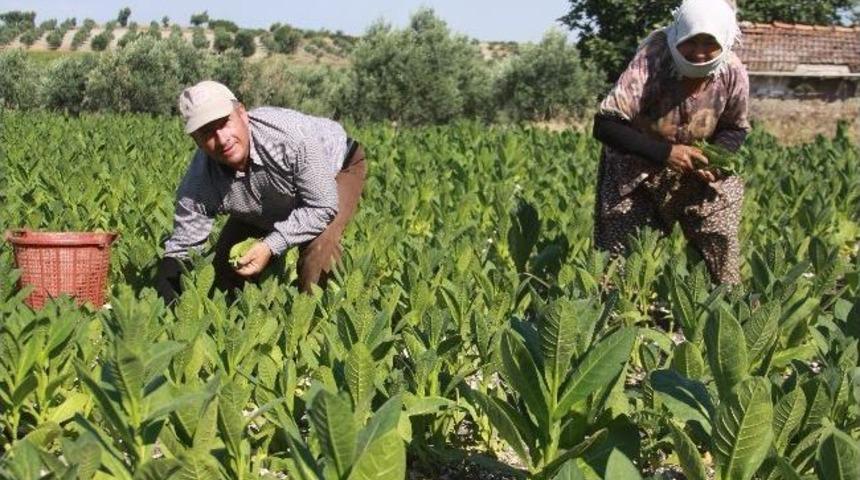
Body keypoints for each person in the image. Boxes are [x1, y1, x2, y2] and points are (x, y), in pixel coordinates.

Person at [155, 80, 366, 303]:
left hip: (335, 168)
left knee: (319, 249)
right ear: (195, 140)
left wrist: (270, 245)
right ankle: (236, 327)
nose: (221, 139)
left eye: (224, 123)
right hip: (267, 193)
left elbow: (322, 207)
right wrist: (162, 314)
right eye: (207, 132)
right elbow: (182, 250)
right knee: (226, 268)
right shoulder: (199, 182)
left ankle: (318, 326)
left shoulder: (290, 137)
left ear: (242, 113)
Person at [592, 0, 749, 284]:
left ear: (724, 40)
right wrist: (666, 153)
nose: (700, 53)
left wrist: (715, 160)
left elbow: (734, 128)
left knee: (720, 244)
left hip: (698, 171)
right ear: (678, 35)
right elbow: (605, 125)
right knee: (621, 261)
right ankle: (617, 317)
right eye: (691, 41)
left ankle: (726, 313)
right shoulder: (652, 60)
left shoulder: (732, 71)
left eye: (709, 43)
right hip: (637, 170)